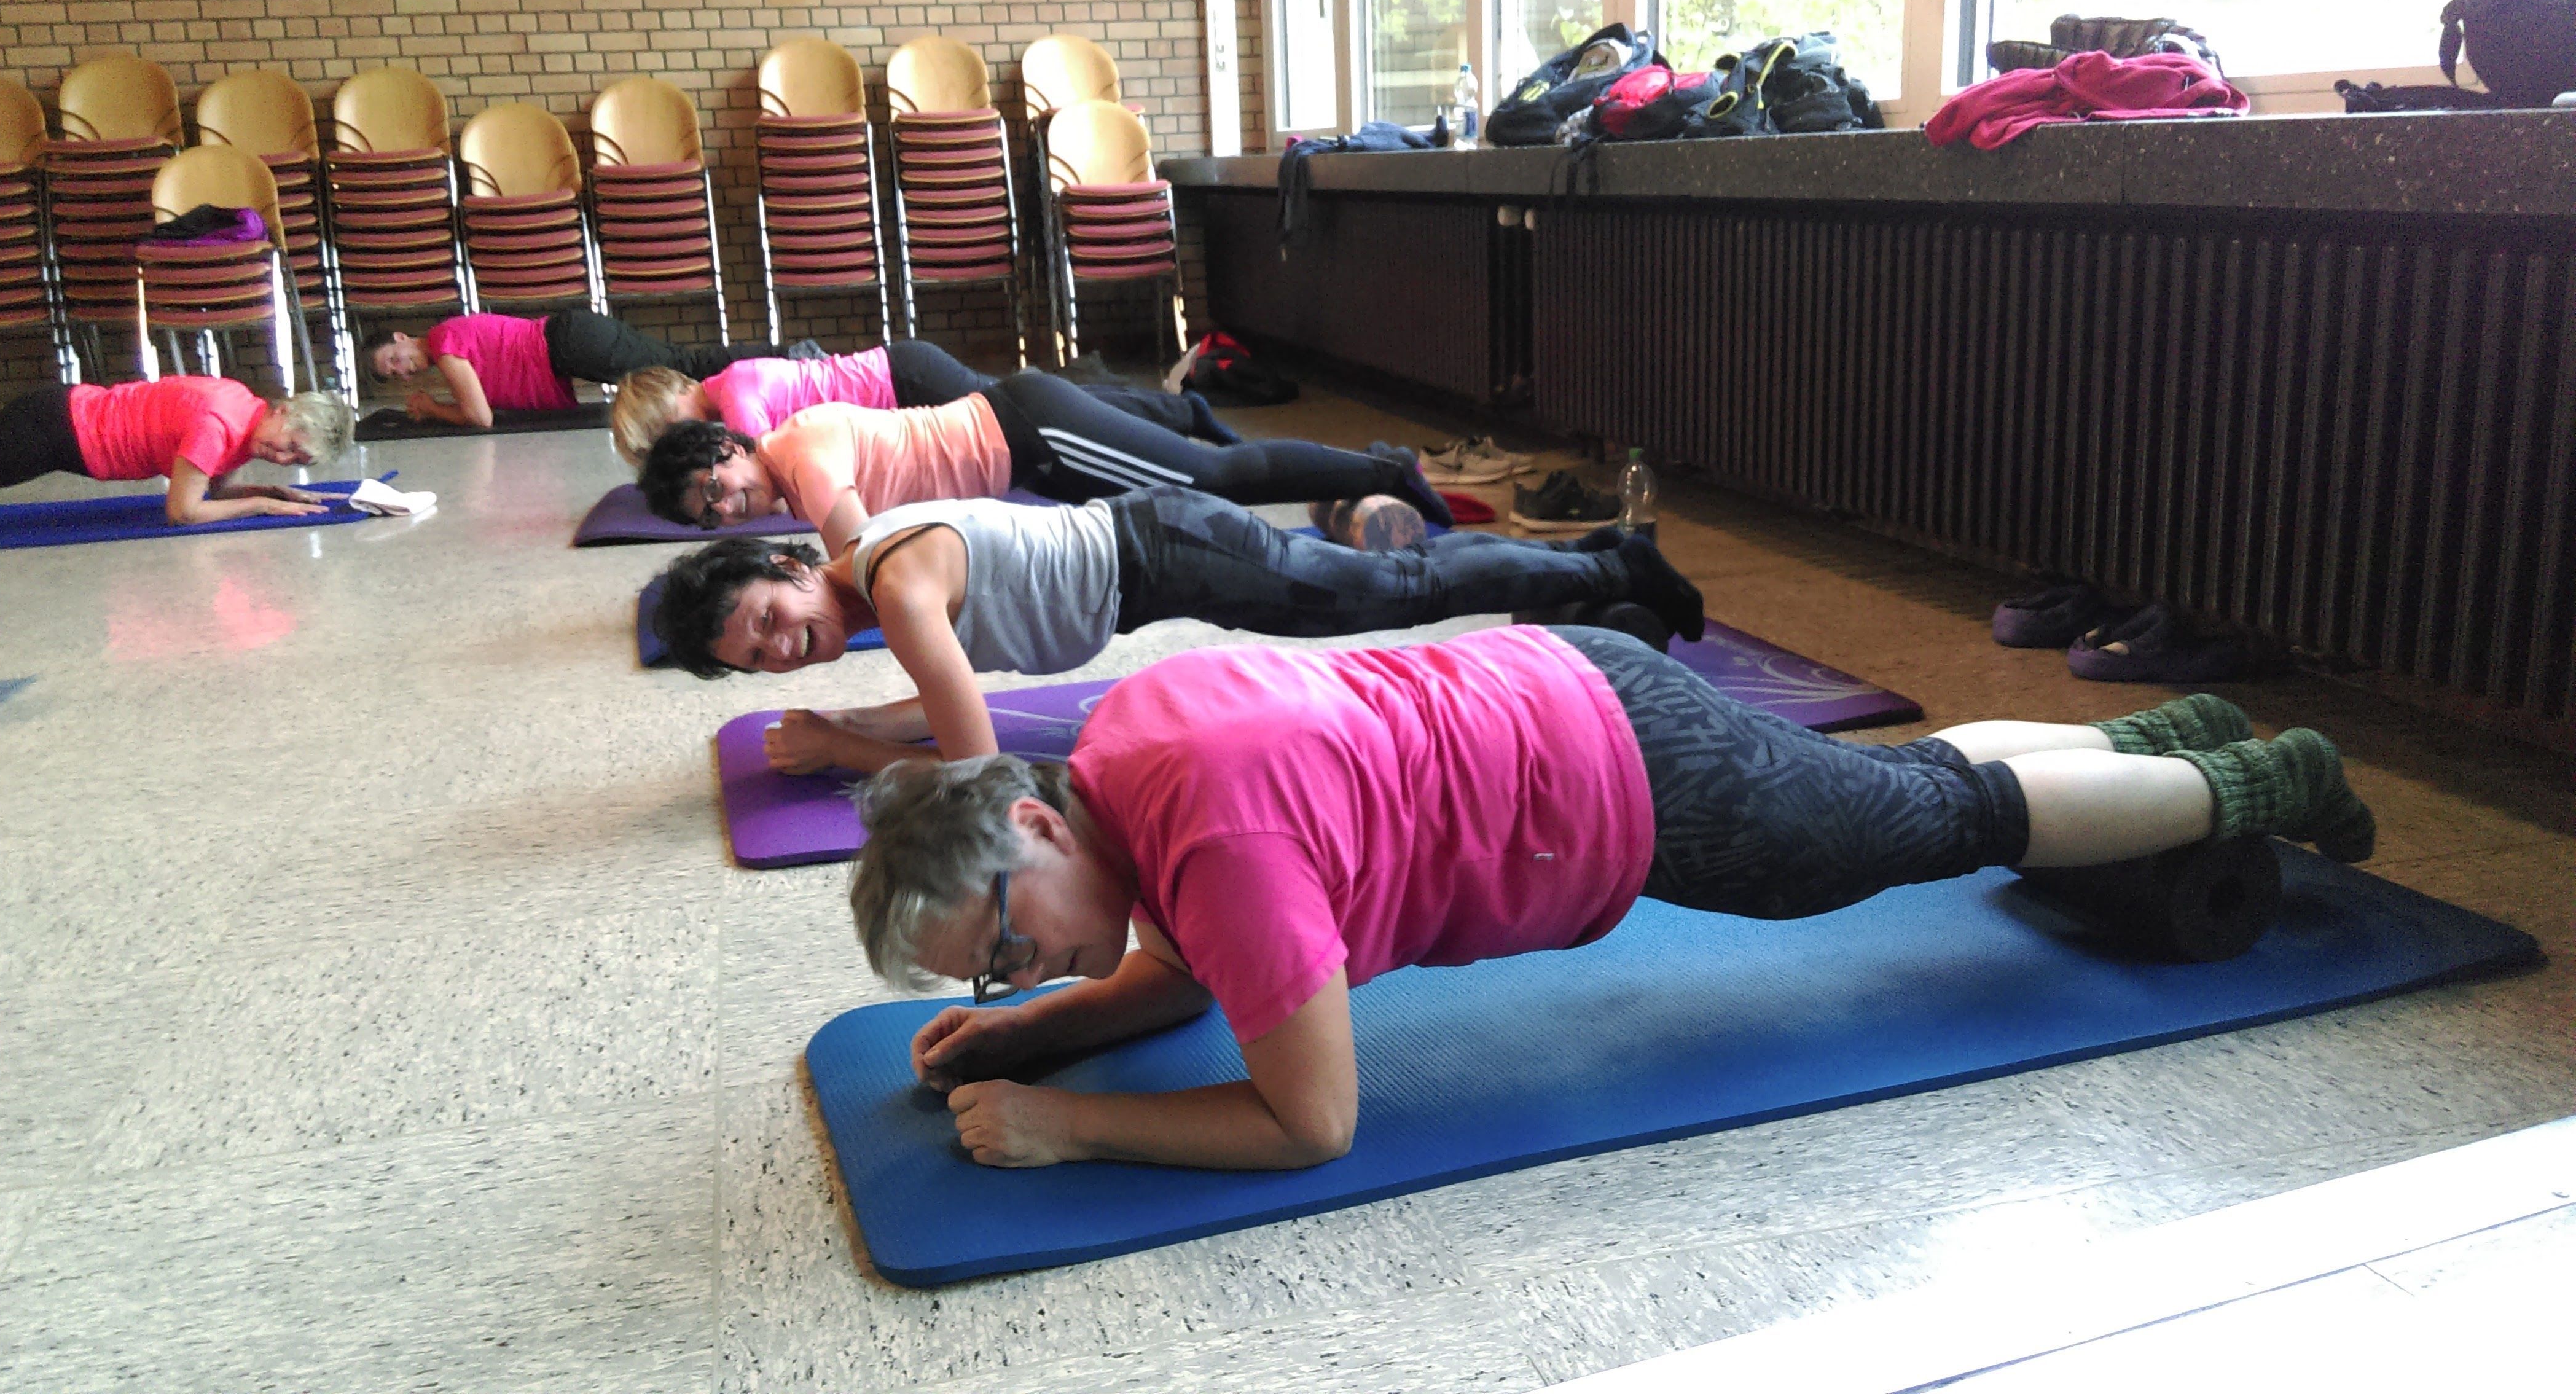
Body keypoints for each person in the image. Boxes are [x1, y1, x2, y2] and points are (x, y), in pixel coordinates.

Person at [844, 628, 2376, 1171]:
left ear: (1031, 819)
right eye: (993, 973)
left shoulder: (1222, 854)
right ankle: (2164, 739)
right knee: (1904, 788)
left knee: (1939, 819)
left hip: (1632, 784)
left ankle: (2265, 780)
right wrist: (1044, 1032)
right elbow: (1191, 963)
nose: (1026, 965)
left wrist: (1072, 1122)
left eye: (1009, 939)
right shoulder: (1125, 746)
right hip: (1567, 682)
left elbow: (1309, 1122)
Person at [650, 491, 1705, 775]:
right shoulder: (865, 579)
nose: (781, 648)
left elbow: (977, 764)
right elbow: (942, 690)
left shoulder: (899, 586)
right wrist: (859, 723)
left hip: (1170, 550)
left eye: (769, 619)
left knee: (1395, 589)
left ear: (790, 565)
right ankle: (1591, 582)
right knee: (1390, 586)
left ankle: (1614, 562)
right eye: (757, 657)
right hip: (1158, 554)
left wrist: (843, 750)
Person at [635, 371, 1454, 557]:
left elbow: (861, 554)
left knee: (1214, 478)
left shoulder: (801, 456)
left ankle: (1383, 471)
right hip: (1028, 459)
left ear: (726, 446)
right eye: (710, 516)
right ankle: (1363, 480)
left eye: (715, 488)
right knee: (1183, 506)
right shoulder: (785, 467)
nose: (727, 509)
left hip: (1034, 432)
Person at [608, 340, 1240, 464]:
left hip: (907, 379)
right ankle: (1177, 414)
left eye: (670, 431)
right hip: (904, 376)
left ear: (679, 392)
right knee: (1046, 404)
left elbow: (758, 463)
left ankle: (1181, 414)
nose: (679, 446)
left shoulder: (736, 393)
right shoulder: (725, 388)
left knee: (1046, 412)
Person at [0, 377, 357, 525]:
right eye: (291, 446)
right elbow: (183, 512)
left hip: (64, 414)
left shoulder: (247, 409)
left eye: (297, 461)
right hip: (57, 430)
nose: (282, 458)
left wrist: (274, 492)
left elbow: (219, 491)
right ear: (284, 411)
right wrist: (262, 505)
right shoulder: (218, 426)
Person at [362, 309, 785, 429]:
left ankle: (788, 357)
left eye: (393, 360)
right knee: (683, 368)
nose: (403, 371)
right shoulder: (446, 346)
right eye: (395, 375)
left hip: (572, 341)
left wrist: (432, 408)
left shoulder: (444, 344)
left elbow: (480, 417)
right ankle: (784, 361)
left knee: (683, 367)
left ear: (401, 337)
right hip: (572, 343)